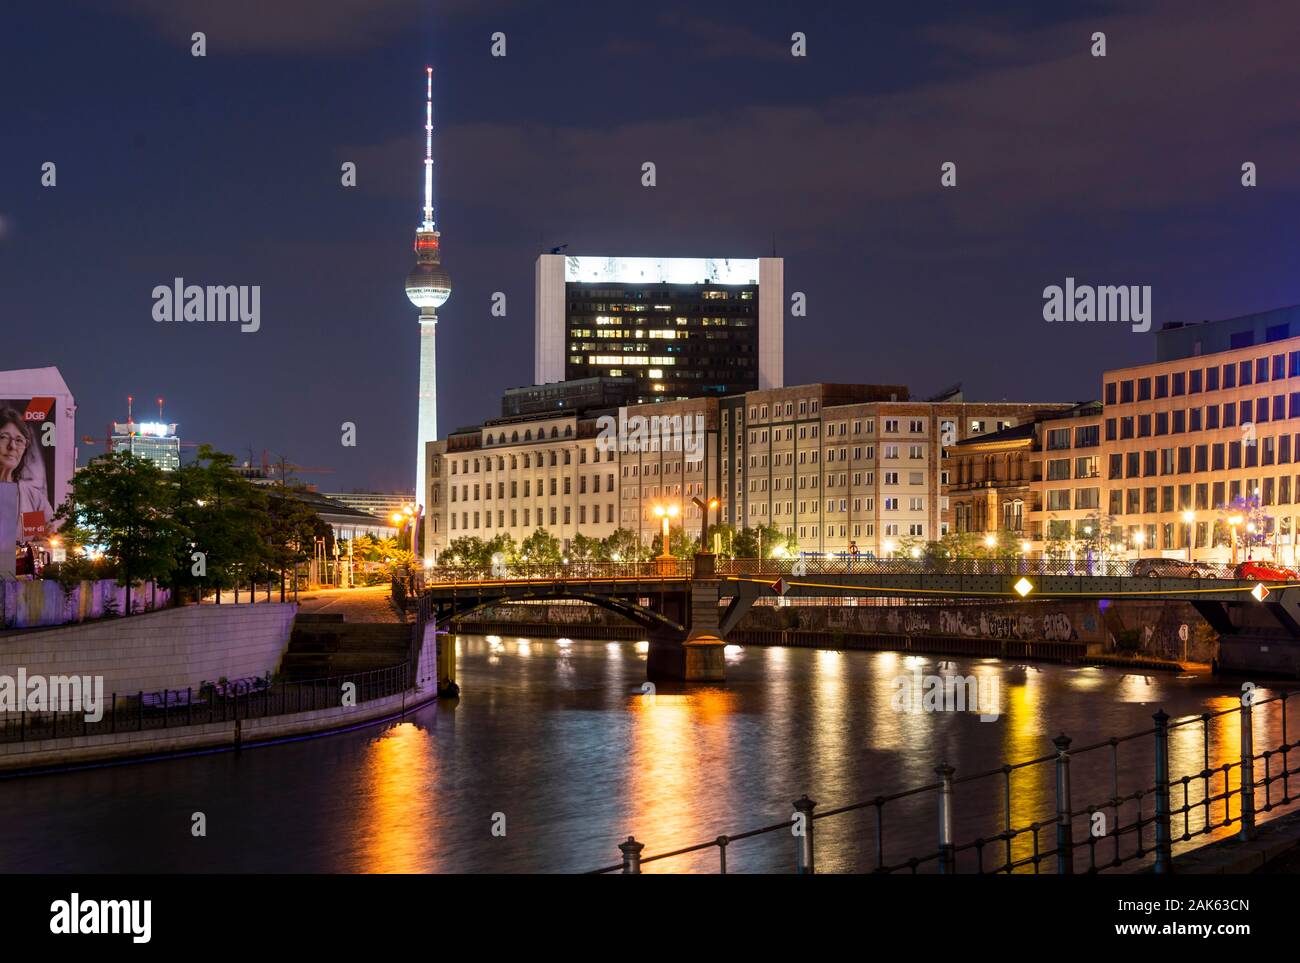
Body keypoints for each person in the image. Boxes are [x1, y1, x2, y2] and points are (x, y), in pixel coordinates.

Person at [0, 408, 55, 538]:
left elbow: (49, 541)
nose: (12, 446)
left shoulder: (34, 499)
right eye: (3, 437)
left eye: (19, 440)